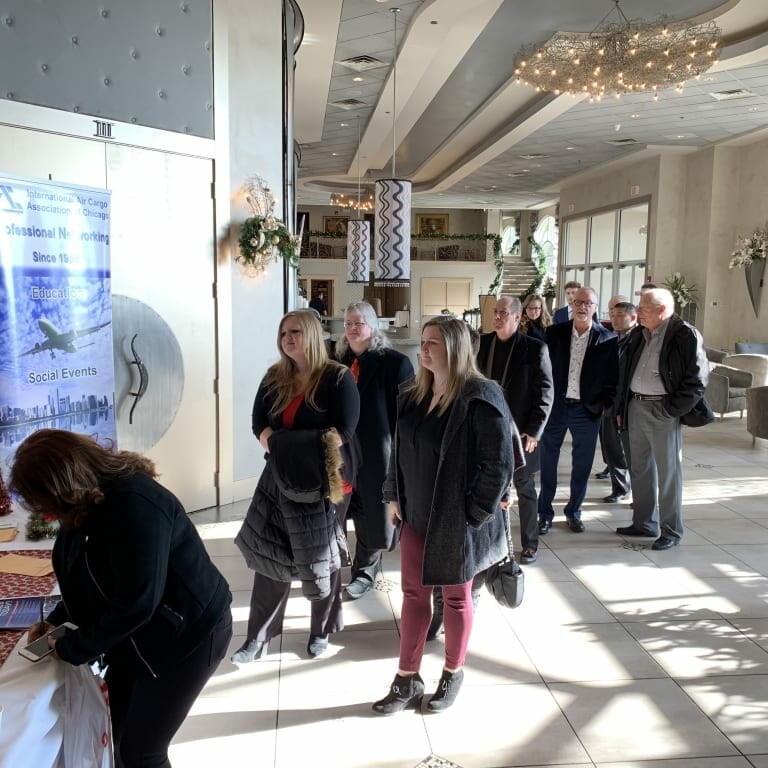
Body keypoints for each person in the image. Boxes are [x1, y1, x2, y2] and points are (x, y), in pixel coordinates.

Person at [10, 429, 232, 768]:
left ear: (60, 486)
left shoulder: (135, 503)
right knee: (112, 729)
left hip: (190, 637)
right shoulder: (83, 503)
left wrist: (72, 646)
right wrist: (56, 622)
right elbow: (87, 578)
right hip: (140, 637)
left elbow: (137, 601)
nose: (44, 516)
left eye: (43, 505)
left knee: (143, 752)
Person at [372, 317, 520, 715]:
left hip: (457, 520)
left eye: (432, 342)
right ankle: (407, 678)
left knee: (455, 600)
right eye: (422, 341)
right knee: (412, 596)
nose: (423, 349)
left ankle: (453, 672)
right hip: (415, 515)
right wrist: (392, 496)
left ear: (454, 348)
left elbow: (498, 464)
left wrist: (475, 515)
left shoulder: (480, 395)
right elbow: (397, 451)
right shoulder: (413, 394)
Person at [234, 309, 360, 661]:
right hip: (279, 478)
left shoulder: (336, 378)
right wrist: (280, 448)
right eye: (283, 333)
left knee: (323, 557)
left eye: (295, 332)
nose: (287, 338)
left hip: (324, 481)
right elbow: (260, 424)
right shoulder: (274, 377)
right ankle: (257, 637)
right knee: (269, 554)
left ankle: (321, 631)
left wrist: (288, 446)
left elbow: (343, 432)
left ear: (312, 335)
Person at [615, 288, 709, 550]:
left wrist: (671, 409)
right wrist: (623, 406)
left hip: (663, 410)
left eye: (643, 308)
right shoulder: (639, 332)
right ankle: (644, 523)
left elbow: (698, 379)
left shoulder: (684, 334)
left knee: (668, 474)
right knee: (639, 469)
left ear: (661, 310)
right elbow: (626, 371)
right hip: (636, 406)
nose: (638, 311)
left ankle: (671, 530)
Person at [335, 301, 414, 600]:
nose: (353, 328)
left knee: (372, 511)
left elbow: (407, 414)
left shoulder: (395, 363)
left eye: (359, 322)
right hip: (342, 450)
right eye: (348, 323)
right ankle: (334, 564)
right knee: (341, 507)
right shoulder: (336, 361)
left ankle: (365, 572)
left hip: (377, 450)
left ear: (373, 326)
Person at [477, 296, 553, 563]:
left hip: (521, 431)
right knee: (486, 485)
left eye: (503, 313)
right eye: (495, 312)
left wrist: (535, 431)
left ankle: (530, 543)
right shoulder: (482, 343)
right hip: (485, 428)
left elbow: (545, 392)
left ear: (518, 317)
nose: (497, 317)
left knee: (524, 486)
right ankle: (488, 541)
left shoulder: (535, 348)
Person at [538, 287, 618, 534]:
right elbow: (541, 371)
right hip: (557, 408)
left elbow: (613, 379)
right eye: (579, 302)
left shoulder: (607, 338)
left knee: (582, 466)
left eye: (589, 303)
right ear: (572, 304)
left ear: (596, 307)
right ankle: (545, 514)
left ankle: (574, 511)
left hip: (587, 411)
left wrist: (604, 406)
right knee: (548, 463)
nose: (583, 307)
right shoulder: (554, 333)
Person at [600, 300, 638, 503]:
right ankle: (620, 488)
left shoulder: (638, 341)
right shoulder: (611, 339)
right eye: (612, 315)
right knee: (611, 448)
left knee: (630, 452)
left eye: (620, 315)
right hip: (609, 403)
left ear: (633, 317)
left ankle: (640, 495)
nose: (615, 319)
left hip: (628, 404)